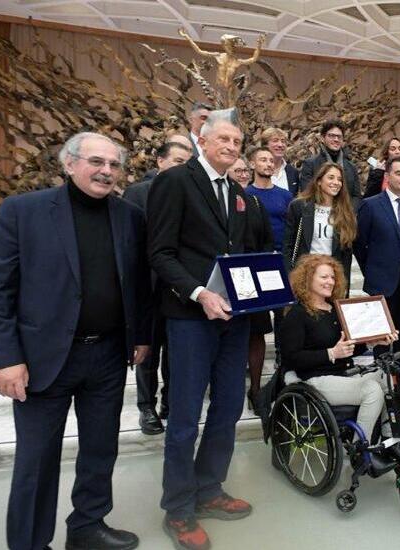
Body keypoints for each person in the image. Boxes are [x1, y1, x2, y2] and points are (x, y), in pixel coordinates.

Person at [0, 132, 151, 550]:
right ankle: (30, 543)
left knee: (99, 449)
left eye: (113, 165)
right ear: (69, 164)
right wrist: (5, 359)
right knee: (36, 461)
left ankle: (87, 526)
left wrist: (141, 336)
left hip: (108, 356)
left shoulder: (129, 216)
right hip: (42, 359)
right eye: (96, 162)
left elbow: (139, 283)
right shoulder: (24, 211)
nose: (106, 171)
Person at [147, 114, 273, 550]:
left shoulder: (238, 194)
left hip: (234, 321)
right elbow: (160, 253)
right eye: (224, 137)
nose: (233, 145)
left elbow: (242, 257)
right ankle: (179, 509)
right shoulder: (176, 182)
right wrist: (199, 293)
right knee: (184, 417)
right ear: (202, 139)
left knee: (228, 408)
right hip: (189, 319)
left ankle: (209, 489)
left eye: (238, 139)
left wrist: (263, 291)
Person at [280, 254, 397, 440]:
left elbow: (348, 348)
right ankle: (362, 447)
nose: (330, 282)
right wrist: (331, 354)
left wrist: (372, 342)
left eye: (333, 277)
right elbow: (291, 358)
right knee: (372, 390)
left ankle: (389, 437)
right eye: (324, 277)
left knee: (389, 379)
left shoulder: (336, 309)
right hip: (315, 379)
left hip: (343, 373)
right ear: (308, 278)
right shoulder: (297, 314)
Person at [124, 140, 192, 435]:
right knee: (148, 353)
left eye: (186, 162)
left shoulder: (191, 193)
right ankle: (146, 407)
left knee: (177, 353)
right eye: (177, 160)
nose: (182, 167)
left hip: (179, 287)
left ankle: (170, 402)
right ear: (160, 161)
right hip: (148, 288)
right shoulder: (138, 193)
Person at [354, 156, 400, 366]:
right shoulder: (371, 205)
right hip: (382, 280)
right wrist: (372, 270)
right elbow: (359, 244)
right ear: (387, 176)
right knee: (382, 334)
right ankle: (382, 376)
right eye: (399, 173)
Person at [244, 146, 293, 408]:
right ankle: (255, 389)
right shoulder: (243, 195)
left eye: (271, 160)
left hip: (282, 265)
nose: (267, 163)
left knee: (285, 326)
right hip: (255, 266)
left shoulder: (285, 196)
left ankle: (284, 383)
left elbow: (294, 230)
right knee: (258, 330)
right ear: (252, 163)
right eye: (262, 159)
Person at [283, 162, 356, 291]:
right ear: (319, 181)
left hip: (332, 278)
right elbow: (287, 245)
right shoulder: (299, 206)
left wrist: (345, 286)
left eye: (340, 179)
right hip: (305, 275)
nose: (336, 182)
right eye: (331, 177)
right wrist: (289, 274)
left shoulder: (345, 212)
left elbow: (346, 254)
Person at [299, 119, 361, 201]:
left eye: (339, 137)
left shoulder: (351, 168)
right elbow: (307, 194)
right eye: (331, 136)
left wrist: (347, 212)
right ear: (322, 138)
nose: (336, 139)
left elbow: (356, 197)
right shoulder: (310, 164)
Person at [260, 126, 300, 195]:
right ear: (265, 145)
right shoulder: (257, 171)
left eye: (283, 141)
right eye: (275, 141)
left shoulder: (293, 172)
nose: (280, 145)